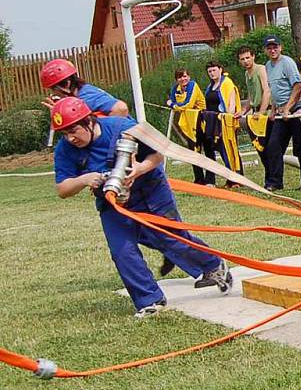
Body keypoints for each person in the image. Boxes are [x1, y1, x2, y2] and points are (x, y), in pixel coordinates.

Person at [50, 97, 232, 318]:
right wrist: (85, 179)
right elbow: (62, 188)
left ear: (89, 121)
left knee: (170, 237)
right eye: (64, 133)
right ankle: (150, 300)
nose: (70, 137)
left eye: (74, 129)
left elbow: (159, 151)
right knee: (122, 250)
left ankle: (213, 265)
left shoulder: (122, 128)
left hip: (150, 189)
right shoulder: (65, 149)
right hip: (112, 201)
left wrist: (139, 169)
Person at [262, 35, 301, 191]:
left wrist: (287, 108)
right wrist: (273, 109)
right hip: (280, 112)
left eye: (275, 47)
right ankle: (275, 182)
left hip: (295, 111)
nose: (273, 50)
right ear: (266, 50)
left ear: (280, 47)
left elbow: (298, 86)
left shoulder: (287, 63)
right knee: (273, 146)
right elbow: (274, 90)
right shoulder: (268, 66)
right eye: (269, 48)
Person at [199, 60, 242, 188]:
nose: (212, 73)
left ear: (220, 69)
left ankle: (236, 178)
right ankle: (215, 178)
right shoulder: (210, 86)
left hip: (224, 121)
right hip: (212, 122)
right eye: (209, 71)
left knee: (227, 149)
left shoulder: (227, 83)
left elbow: (231, 101)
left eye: (214, 70)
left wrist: (228, 116)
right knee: (214, 149)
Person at [40, 58, 129, 117]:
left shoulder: (86, 97)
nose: (53, 93)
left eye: (53, 89)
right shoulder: (82, 94)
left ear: (66, 84)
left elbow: (121, 109)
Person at [235, 45, 272, 186]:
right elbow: (251, 96)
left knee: (267, 146)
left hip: (265, 112)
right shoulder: (246, 74)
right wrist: (243, 111)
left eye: (248, 58)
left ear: (253, 56)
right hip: (254, 112)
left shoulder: (260, 69)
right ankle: (268, 177)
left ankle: (272, 179)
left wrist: (262, 112)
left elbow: (266, 91)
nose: (245, 61)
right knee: (259, 148)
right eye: (242, 59)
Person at [167, 68, 206, 184]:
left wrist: (173, 105)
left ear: (189, 77)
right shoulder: (175, 88)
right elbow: (174, 100)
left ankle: (210, 178)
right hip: (188, 122)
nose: (183, 79)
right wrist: (175, 104)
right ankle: (199, 179)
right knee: (193, 150)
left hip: (201, 119)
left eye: (185, 76)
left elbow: (187, 104)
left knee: (206, 149)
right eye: (180, 77)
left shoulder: (193, 85)